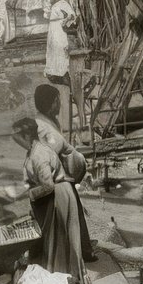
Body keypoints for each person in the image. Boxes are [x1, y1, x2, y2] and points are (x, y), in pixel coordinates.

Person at [11, 117, 90, 284]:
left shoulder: (39, 154)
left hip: (59, 195)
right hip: (54, 196)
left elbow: (47, 185)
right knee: (56, 244)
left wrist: (28, 194)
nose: (15, 141)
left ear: (25, 135)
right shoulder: (32, 151)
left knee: (62, 243)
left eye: (17, 137)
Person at [34, 84, 95, 261]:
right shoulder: (44, 128)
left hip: (56, 178)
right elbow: (53, 153)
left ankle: (78, 250)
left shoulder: (44, 121)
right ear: (52, 103)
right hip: (55, 181)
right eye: (58, 101)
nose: (59, 105)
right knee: (66, 219)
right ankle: (76, 253)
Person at [43, 0, 76, 82]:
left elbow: (72, 14)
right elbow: (46, 15)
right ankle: (53, 71)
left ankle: (63, 71)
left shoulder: (64, 3)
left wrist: (65, 21)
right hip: (52, 27)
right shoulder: (51, 5)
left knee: (60, 47)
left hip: (59, 27)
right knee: (52, 48)